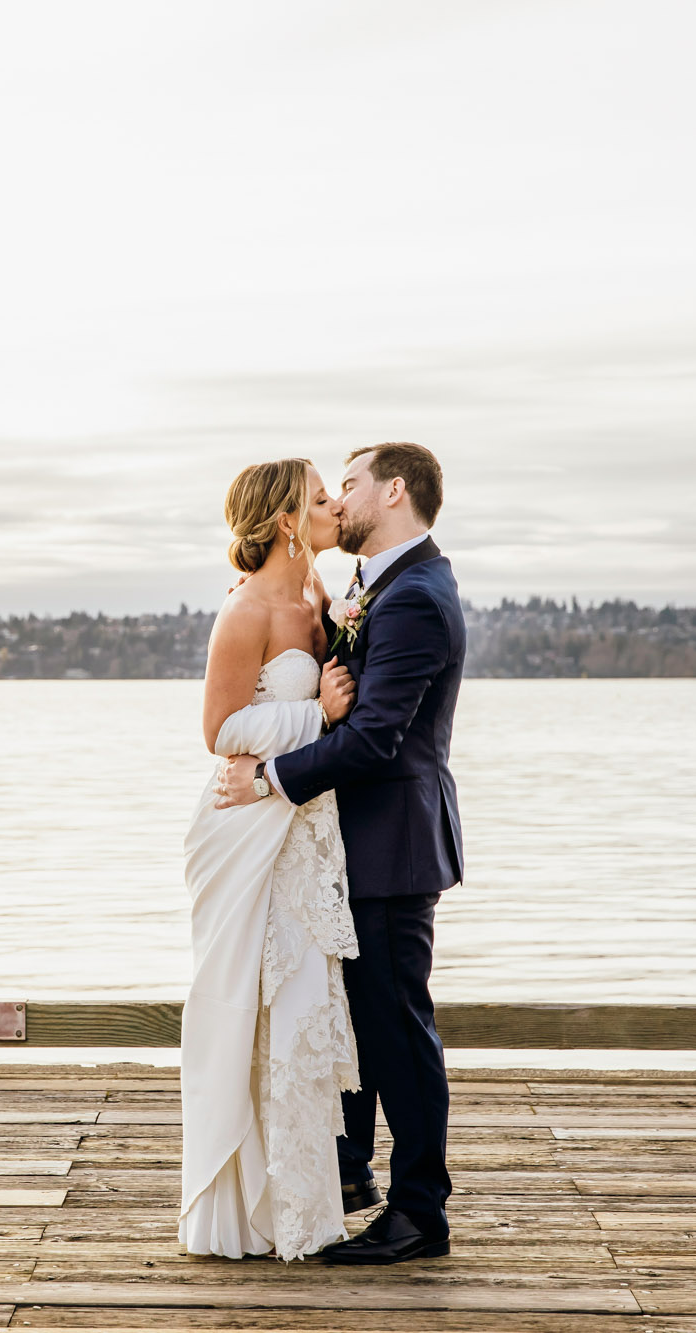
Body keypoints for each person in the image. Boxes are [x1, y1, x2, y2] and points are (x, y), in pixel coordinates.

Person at [214, 442, 465, 1266]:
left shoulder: (415, 595)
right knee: (354, 1019)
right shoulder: (370, 585)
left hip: (391, 845)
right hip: (348, 846)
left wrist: (269, 779)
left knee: (398, 1030)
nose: (339, 500)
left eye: (347, 485)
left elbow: (374, 739)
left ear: (392, 491)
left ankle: (420, 1211)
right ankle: (350, 1170)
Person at [179, 457, 361, 1261]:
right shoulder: (245, 610)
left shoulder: (320, 597)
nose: (332, 507)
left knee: (303, 1005)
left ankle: (303, 1207)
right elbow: (218, 730)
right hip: (244, 820)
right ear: (288, 519)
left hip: (301, 822)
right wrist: (313, 716)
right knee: (249, 1002)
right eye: (320, 498)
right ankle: (242, 1206)